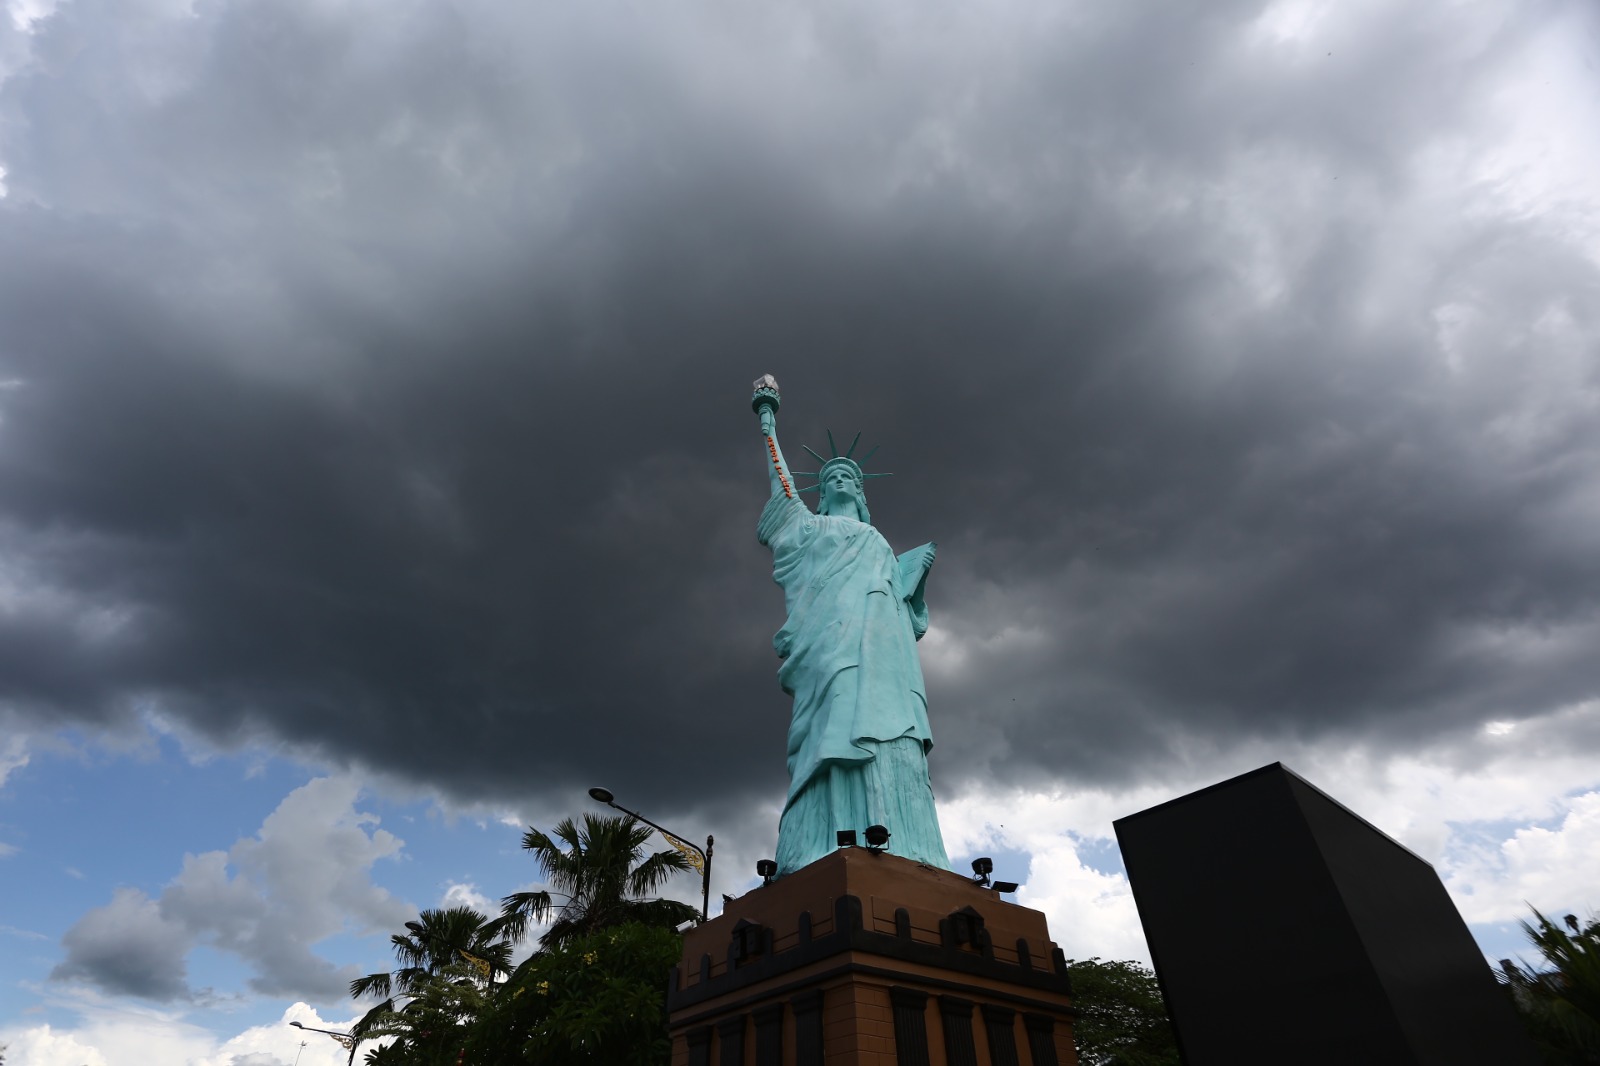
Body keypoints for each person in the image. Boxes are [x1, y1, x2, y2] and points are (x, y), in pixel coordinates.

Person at [755, 398, 950, 876]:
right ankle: (822, 842)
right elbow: (782, 488)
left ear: (863, 493)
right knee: (836, 733)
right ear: (820, 492)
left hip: (890, 660)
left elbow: (910, 619)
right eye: (830, 477)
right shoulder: (811, 528)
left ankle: (911, 844)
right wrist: (767, 422)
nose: (840, 479)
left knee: (898, 743)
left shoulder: (879, 542)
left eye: (849, 477)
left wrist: (916, 577)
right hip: (833, 646)